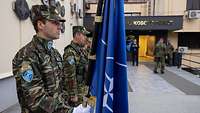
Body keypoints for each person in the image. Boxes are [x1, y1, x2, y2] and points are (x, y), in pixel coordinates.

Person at [63, 26, 90, 107]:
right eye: (84, 35)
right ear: (77, 35)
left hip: (84, 89)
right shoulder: (70, 52)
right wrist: (73, 95)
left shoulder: (81, 50)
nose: (86, 38)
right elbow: (70, 75)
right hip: (77, 93)